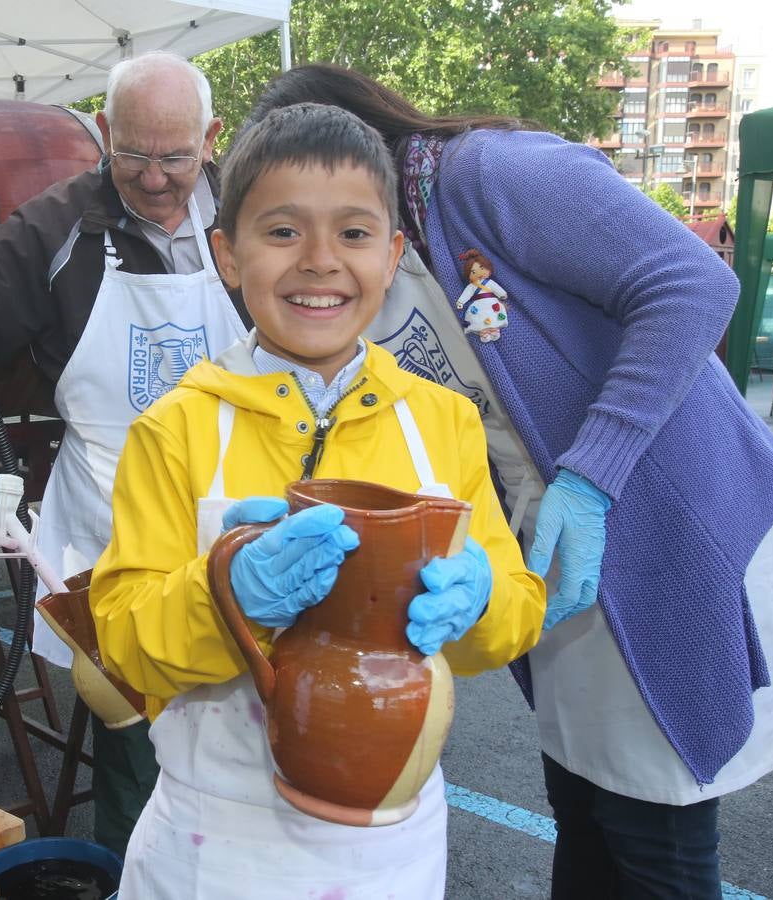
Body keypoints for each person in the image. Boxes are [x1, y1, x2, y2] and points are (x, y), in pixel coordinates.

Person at [249, 64, 773, 899]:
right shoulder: (376, 254)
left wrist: (588, 476)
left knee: (655, 823)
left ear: (362, 142)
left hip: (661, 511)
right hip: (557, 537)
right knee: (580, 802)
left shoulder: (489, 173)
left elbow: (694, 283)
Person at [88, 103, 544, 898]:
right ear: (226, 255)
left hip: (390, 846)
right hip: (216, 841)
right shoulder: (177, 427)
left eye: (356, 234)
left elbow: (508, 618)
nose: (321, 261)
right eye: (283, 232)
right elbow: (121, 644)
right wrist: (224, 594)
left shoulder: (443, 422)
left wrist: (480, 604)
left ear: (396, 255)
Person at [0, 51, 249, 855]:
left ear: (212, 137)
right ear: (101, 133)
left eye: (175, 157)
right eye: (132, 154)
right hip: (114, 536)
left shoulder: (252, 208)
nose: (156, 179)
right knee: (137, 757)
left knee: (253, 750)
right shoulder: (58, 227)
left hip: (248, 524)